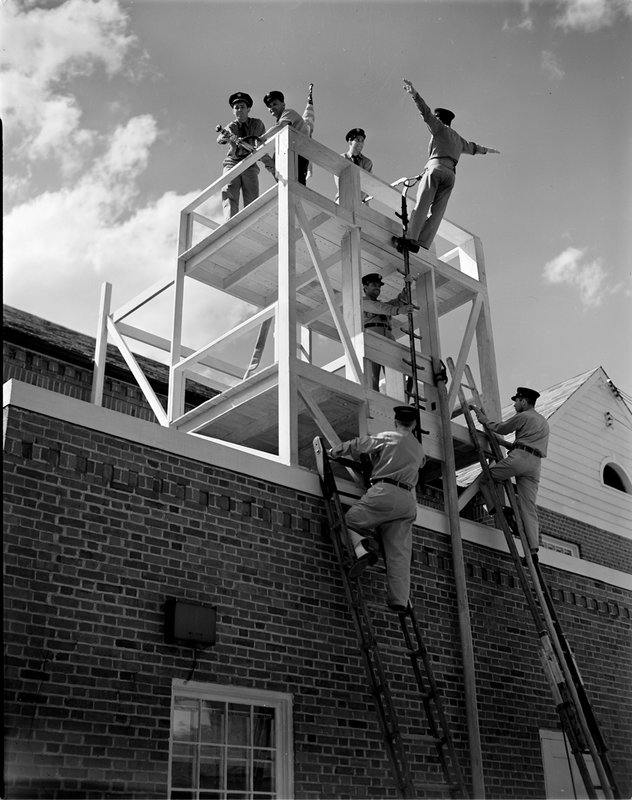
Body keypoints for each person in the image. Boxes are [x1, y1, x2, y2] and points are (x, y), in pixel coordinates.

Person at [328, 405, 426, 613]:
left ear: (395, 422)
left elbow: (362, 444)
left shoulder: (389, 437)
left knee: (345, 523)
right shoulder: (418, 447)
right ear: (414, 424)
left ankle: (361, 551)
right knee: (398, 552)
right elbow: (422, 463)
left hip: (385, 492)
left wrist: (336, 450)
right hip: (408, 501)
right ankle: (399, 600)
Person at [393, 78, 500, 254]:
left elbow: (425, 113)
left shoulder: (439, 128)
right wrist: (488, 150)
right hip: (450, 176)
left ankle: (410, 238)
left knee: (422, 204)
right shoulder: (458, 139)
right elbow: (473, 148)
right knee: (437, 212)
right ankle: (422, 241)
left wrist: (414, 95)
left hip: (435, 169)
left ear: (439, 120)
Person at [470, 387, 550, 554]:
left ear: (524, 401)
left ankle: (496, 509)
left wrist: (483, 419)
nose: (514, 405)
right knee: (528, 506)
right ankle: (534, 550)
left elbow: (501, 428)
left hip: (519, 460)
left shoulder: (523, 416)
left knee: (486, 478)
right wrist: (506, 445)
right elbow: (527, 442)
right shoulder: (543, 422)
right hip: (535, 465)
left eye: (516, 401)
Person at [362, 273, 416, 392]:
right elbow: (380, 308)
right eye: (374, 285)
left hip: (388, 338)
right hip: (373, 339)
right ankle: (374, 401)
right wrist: (398, 310)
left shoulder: (383, 305)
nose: (377, 287)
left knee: (395, 373)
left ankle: (401, 396)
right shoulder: (363, 303)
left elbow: (398, 301)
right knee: (372, 377)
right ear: (365, 288)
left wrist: (407, 288)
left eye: (379, 286)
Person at [216, 92, 266, 221]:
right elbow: (221, 139)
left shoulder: (257, 124)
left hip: (250, 163)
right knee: (230, 193)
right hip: (233, 162)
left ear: (248, 109)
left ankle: (252, 223)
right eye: (236, 107)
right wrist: (226, 136)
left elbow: (260, 141)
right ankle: (230, 225)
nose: (239, 110)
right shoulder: (231, 127)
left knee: (252, 197)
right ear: (233, 111)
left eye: (242, 107)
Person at [260, 90, 311, 185]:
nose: (272, 108)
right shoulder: (277, 126)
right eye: (269, 106)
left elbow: (281, 126)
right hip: (288, 156)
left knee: (297, 186)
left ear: (283, 104)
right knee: (285, 185)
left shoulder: (289, 113)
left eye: (275, 104)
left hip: (298, 155)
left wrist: (262, 138)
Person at [335, 128, 373, 204]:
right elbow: (339, 182)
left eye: (362, 141)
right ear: (350, 142)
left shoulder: (367, 162)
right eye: (358, 140)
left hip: (361, 202)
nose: (360, 143)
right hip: (343, 199)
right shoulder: (341, 158)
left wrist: (357, 201)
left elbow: (367, 185)